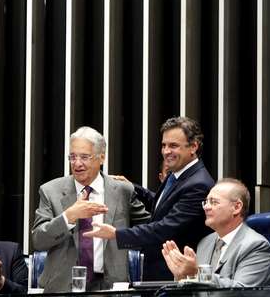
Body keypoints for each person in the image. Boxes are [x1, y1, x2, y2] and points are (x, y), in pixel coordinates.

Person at [85, 116, 215, 281]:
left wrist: (116, 234)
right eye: (164, 145)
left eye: (173, 146)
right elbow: (163, 205)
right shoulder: (178, 173)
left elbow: (165, 228)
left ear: (193, 147)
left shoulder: (199, 184)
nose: (166, 151)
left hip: (174, 277)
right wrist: (134, 188)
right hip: (159, 272)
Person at [32, 126, 151, 291]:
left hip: (110, 288)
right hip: (61, 289)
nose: (77, 163)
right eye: (72, 157)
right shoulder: (50, 191)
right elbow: (38, 240)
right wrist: (68, 217)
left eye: (84, 157)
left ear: (101, 157)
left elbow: (150, 229)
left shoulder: (122, 191)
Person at [161, 178, 270, 287]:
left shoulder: (255, 245)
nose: (206, 207)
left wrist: (198, 273)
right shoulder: (205, 243)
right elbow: (198, 294)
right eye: (206, 202)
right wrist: (183, 276)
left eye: (214, 202)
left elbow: (243, 292)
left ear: (236, 207)